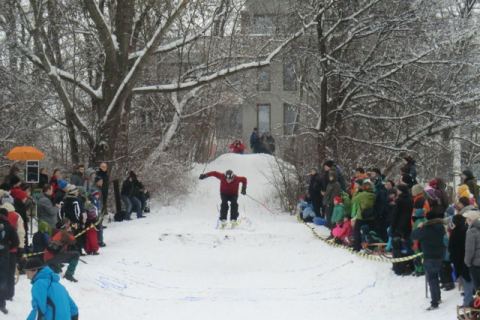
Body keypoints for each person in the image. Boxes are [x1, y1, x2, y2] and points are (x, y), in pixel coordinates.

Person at [411, 213, 446, 311]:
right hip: (440, 255)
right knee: (436, 277)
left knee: (432, 279)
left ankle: (435, 302)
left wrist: (419, 227)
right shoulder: (441, 227)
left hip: (429, 257)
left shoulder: (425, 229)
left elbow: (413, 235)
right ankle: (438, 298)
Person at [449, 214, 474, 307]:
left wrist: (452, 260)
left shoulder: (454, 233)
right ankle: (470, 301)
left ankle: (468, 302)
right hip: (471, 259)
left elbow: (451, 248)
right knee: (470, 280)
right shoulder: (468, 230)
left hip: (460, 261)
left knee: (467, 281)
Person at [0, 208, 19, 315]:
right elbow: (16, 242)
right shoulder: (10, 227)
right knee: (3, 279)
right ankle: (1, 304)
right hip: (4, 256)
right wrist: (7, 246)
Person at [351, 181, 376, 251]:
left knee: (357, 231)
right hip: (370, 216)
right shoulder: (374, 195)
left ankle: (357, 247)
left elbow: (353, 200)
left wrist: (357, 192)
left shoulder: (362, 194)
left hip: (361, 216)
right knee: (368, 232)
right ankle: (369, 246)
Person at [464, 210, 480, 291]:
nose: (466, 221)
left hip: (476, 265)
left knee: (478, 288)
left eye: (467, 219)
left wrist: (467, 262)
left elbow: (469, 250)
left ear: (471, 220)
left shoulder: (471, 232)